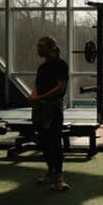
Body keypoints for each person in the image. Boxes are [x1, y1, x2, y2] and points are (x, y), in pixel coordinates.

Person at [30, 36, 70, 192]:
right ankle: (50, 173)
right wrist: (33, 97)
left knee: (54, 142)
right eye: (38, 46)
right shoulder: (42, 68)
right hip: (40, 109)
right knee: (44, 143)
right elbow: (37, 86)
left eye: (41, 46)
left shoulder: (61, 65)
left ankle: (59, 178)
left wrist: (39, 97)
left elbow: (60, 88)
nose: (39, 49)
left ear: (51, 48)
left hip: (54, 110)